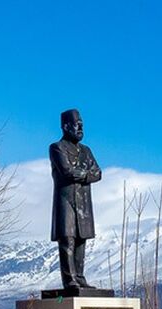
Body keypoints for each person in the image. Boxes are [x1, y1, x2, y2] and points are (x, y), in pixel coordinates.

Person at [49, 109, 102, 289]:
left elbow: (98, 173)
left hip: (84, 203)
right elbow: (67, 171)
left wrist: (83, 175)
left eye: (82, 124)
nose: (80, 127)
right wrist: (85, 173)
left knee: (81, 239)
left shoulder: (86, 151)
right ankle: (69, 278)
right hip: (66, 201)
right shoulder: (57, 148)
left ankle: (79, 276)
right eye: (76, 124)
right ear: (65, 126)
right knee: (68, 239)